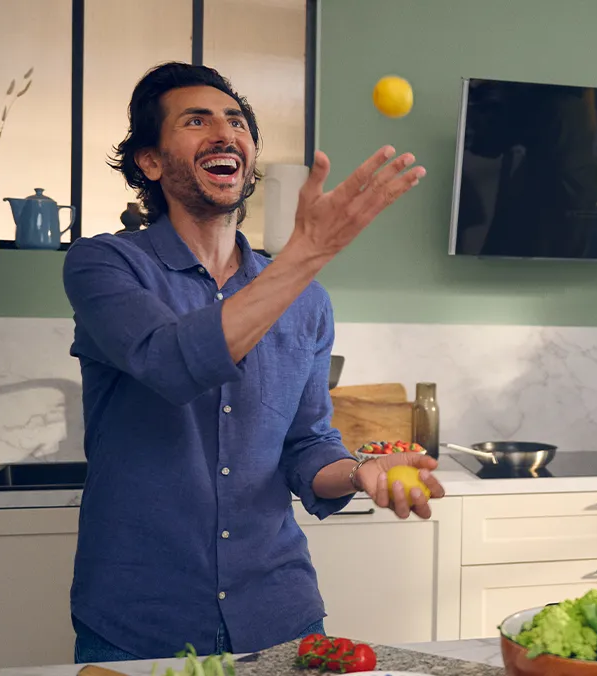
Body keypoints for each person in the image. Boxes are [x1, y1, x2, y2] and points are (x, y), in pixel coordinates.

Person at [61, 62, 443, 662]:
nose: (224, 132)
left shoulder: (306, 299)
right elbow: (171, 363)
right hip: (140, 618)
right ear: (151, 162)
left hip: (279, 611)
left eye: (236, 121)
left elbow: (306, 442)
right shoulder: (104, 266)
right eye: (196, 120)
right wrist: (307, 256)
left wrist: (355, 472)